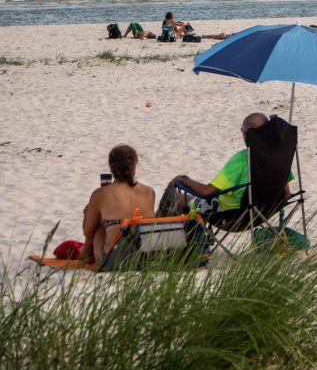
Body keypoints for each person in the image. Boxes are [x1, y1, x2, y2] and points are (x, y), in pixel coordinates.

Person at [159, 113, 292, 224]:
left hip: (231, 217)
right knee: (198, 201)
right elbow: (286, 194)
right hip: (264, 214)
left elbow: (207, 192)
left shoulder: (242, 159)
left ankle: (153, 235)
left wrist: (183, 179)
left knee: (175, 197)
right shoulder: (278, 158)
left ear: (244, 133)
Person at [80, 145, 155, 267]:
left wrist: (88, 211)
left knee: (99, 228)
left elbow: (88, 233)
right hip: (144, 259)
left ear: (111, 167)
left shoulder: (100, 194)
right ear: (134, 166)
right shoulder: (149, 192)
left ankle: (87, 256)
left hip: (114, 261)